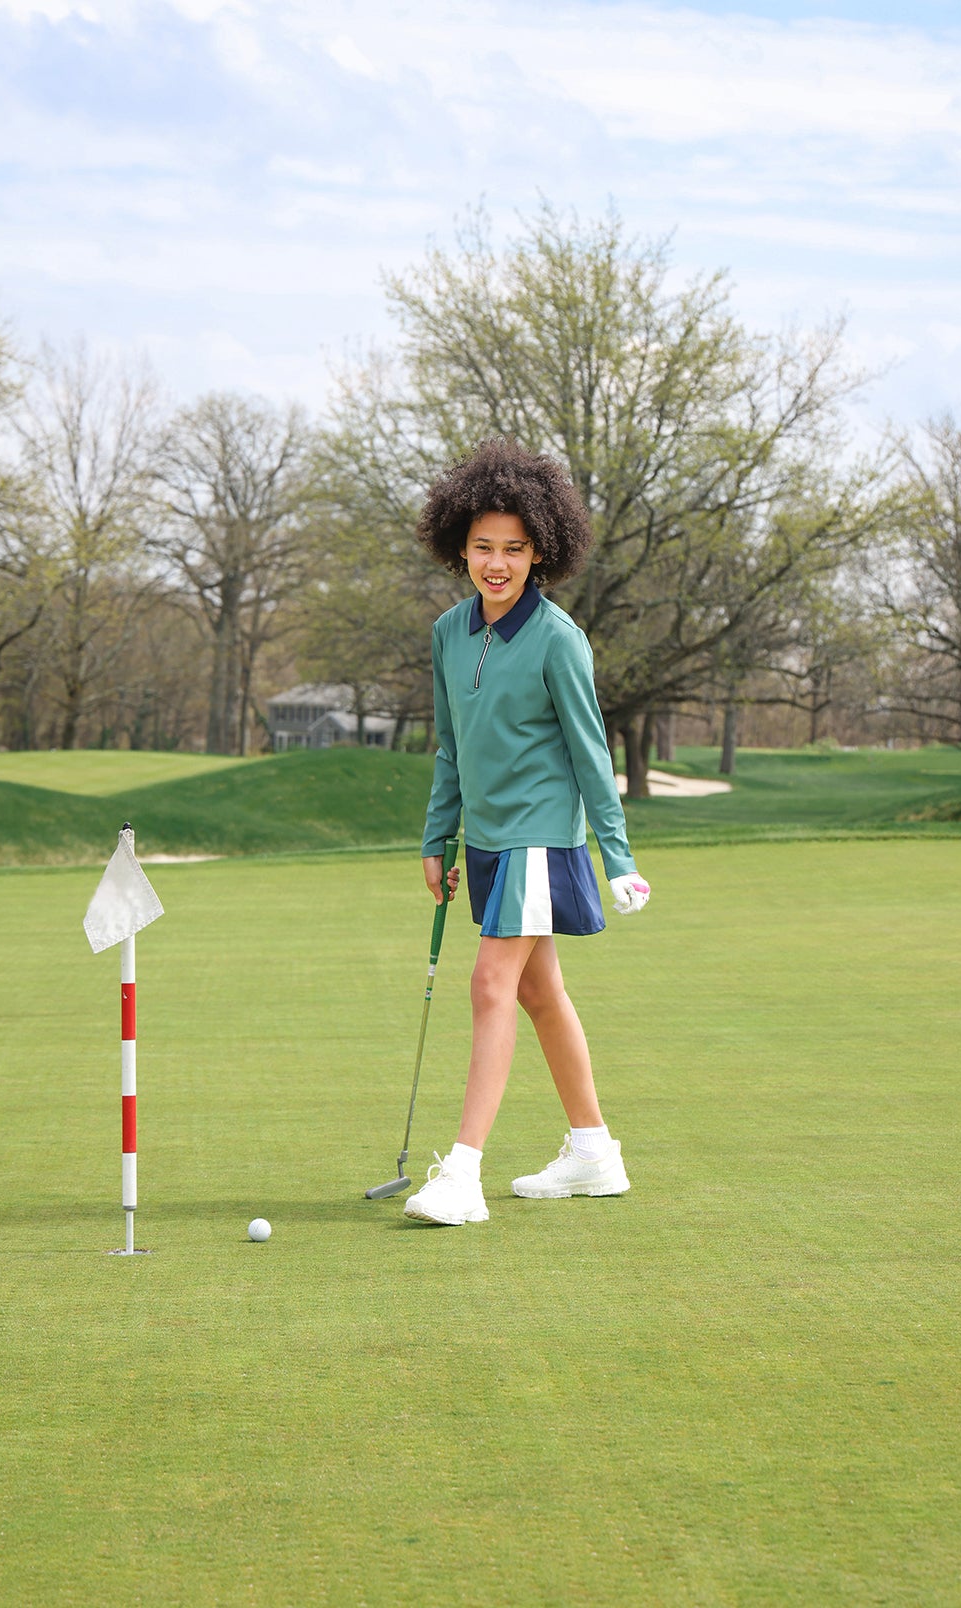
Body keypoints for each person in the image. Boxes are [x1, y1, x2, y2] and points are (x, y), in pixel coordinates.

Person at [404, 438, 651, 1227]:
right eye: (483, 547)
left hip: (542, 837)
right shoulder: (449, 633)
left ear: (542, 548)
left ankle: (464, 1173)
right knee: (541, 993)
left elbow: (589, 751)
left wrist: (617, 857)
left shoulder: (557, 638)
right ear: (460, 549)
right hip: (485, 840)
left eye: (514, 548)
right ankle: (593, 1153)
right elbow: (451, 748)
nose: (498, 563)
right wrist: (437, 841)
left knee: (491, 986)